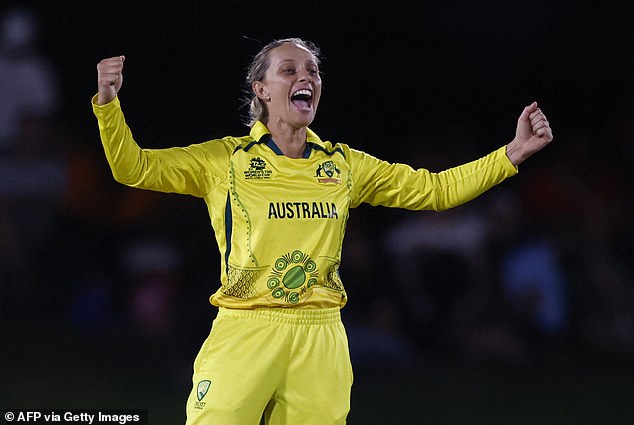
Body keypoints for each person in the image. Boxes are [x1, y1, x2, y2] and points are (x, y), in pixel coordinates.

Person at [92, 38, 553, 425]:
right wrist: (109, 105)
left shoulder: (343, 164)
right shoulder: (223, 160)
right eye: (288, 69)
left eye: (312, 70)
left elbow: (435, 190)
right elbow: (133, 168)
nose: (305, 77)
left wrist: (511, 153)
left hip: (321, 334)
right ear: (262, 90)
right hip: (247, 328)